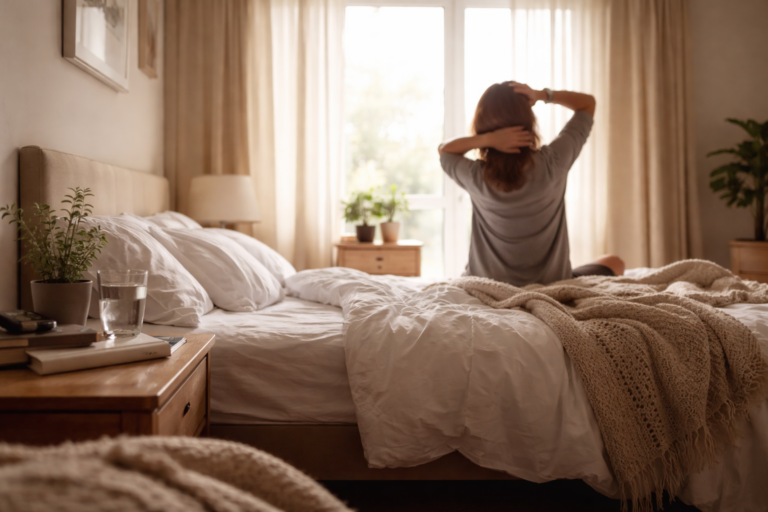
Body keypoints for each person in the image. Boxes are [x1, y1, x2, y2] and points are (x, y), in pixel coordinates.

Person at [438, 81, 624, 286]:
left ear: (482, 125)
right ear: (528, 121)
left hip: (487, 284)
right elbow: (587, 104)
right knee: (615, 262)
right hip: (552, 284)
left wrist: (488, 139)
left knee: (612, 262)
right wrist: (542, 95)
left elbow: (444, 150)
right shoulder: (555, 161)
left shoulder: (474, 175)